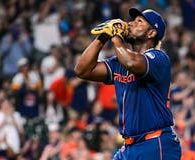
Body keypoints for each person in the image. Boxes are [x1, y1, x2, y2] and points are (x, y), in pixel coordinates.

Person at [74, 7, 181, 160]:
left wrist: (116, 37)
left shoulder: (159, 58)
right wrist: (103, 37)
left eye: (139, 22)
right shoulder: (119, 63)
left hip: (155, 143)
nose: (131, 23)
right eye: (132, 20)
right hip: (130, 146)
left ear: (151, 33)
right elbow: (82, 70)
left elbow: (131, 62)